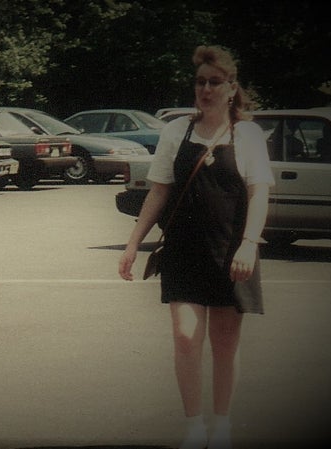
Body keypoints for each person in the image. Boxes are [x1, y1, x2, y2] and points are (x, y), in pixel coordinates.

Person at [118, 46, 275, 449]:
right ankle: (193, 428)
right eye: (200, 82)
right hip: (184, 251)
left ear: (231, 87)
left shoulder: (248, 134)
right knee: (186, 337)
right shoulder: (176, 132)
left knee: (224, 343)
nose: (205, 89)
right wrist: (133, 244)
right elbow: (158, 191)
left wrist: (249, 244)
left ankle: (220, 425)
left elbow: (259, 195)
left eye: (214, 82)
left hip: (230, 251)